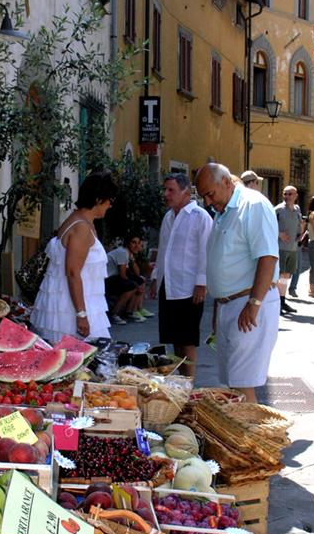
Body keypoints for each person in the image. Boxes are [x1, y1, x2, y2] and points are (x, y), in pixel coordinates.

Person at [195, 162, 280, 402]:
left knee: (243, 385)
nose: (208, 203)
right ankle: (243, 436)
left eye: (210, 194)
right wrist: (219, 305)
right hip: (230, 304)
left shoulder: (253, 205)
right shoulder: (225, 211)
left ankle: (252, 437)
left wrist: (254, 303)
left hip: (248, 303)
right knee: (233, 382)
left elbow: (268, 256)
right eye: (204, 197)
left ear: (225, 182)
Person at [30, 171, 117, 343]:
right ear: (99, 199)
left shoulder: (76, 219)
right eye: (110, 200)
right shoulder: (82, 228)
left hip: (67, 303)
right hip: (71, 309)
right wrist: (81, 314)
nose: (110, 205)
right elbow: (72, 272)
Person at [150, 171, 213, 379]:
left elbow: (206, 251)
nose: (166, 194)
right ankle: (180, 382)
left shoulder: (200, 217)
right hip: (168, 285)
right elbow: (163, 250)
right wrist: (155, 278)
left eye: (171, 190)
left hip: (189, 287)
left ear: (186, 192)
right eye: (165, 189)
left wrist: (202, 283)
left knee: (188, 340)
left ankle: (190, 383)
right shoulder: (168, 217)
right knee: (174, 338)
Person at [275, 185, 305, 316]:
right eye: (285, 194)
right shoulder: (278, 210)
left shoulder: (297, 209)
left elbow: (300, 227)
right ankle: (276, 303)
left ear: (296, 196)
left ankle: (282, 301)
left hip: (293, 248)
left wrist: (302, 231)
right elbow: (267, 226)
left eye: (290, 194)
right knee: (279, 275)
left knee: (286, 276)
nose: (287, 196)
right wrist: (279, 234)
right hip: (280, 248)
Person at [105, 234, 148, 324]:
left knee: (140, 281)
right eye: (133, 243)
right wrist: (135, 285)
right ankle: (114, 314)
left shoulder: (128, 253)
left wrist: (132, 259)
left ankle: (130, 312)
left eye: (138, 243)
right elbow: (122, 274)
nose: (136, 246)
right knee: (132, 286)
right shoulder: (122, 252)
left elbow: (137, 273)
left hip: (114, 278)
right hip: (105, 280)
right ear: (128, 243)